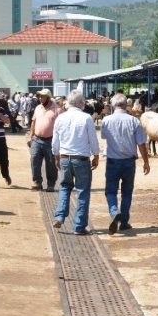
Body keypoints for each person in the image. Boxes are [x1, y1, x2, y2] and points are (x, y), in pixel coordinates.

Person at [51, 90, 100, 235]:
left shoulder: (60, 118)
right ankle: (79, 226)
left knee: (65, 187)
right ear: (81, 103)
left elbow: (55, 141)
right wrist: (96, 155)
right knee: (82, 191)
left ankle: (59, 215)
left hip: (65, 158)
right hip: (81, 159)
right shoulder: (86, 118)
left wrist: (56, 157)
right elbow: (93, 139)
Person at [100, 93, 150, 234]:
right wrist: (146, 162)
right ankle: (124, 222)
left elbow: (104, 136)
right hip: (129, 162)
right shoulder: (134, 121)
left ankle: (114, 211)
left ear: (113, 105)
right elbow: (141, 143)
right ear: (125, 105)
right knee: (126, 192)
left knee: (110, 191)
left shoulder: (106, 120)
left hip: (112, 161)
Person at [27, 88, 61, 192]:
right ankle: (37, 182)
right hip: (37, 139)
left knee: (51, 163)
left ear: (48, 97)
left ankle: (51, 184)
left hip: (51, 140)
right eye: (39, 96)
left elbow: (61, 126)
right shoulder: (38, 108)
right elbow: (33, 122)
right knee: (34, 159)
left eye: (42, 96)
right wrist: (31, 136)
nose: (40, 98)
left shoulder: (57, 109)